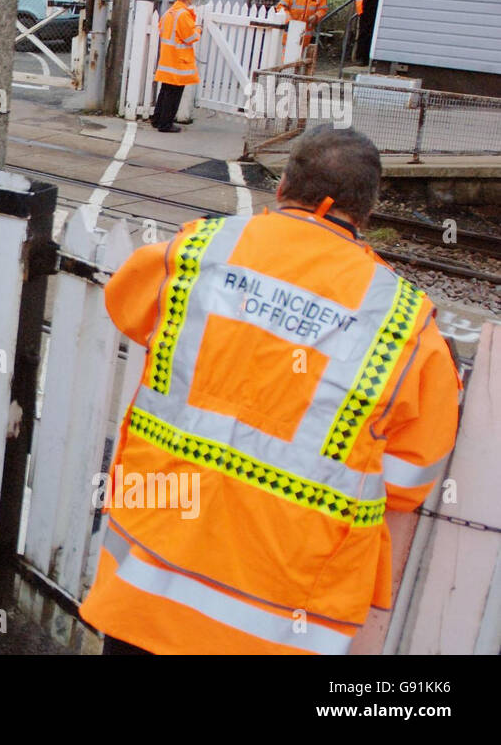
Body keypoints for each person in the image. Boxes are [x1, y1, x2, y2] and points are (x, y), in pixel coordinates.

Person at [79, 126, 460, 654]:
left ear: (282, 186)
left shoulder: (201, 251)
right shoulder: (404, 324)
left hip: (150, 578)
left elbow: (126, 305)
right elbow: (408, 479)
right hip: (279, 615)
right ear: (367, 210)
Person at [151, 0, 201, 133]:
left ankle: (157, 119)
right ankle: (165, 124)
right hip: (179, 60)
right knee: (174, 94)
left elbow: (162, 30)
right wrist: (198, 29)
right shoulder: (183, 14)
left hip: (168, 58)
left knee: (165, 91)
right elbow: (190, 37)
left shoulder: (169, 12)